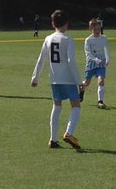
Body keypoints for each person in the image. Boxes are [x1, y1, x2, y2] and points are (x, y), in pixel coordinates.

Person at [30, 9, 82, 149]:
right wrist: (79, 81)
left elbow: (41, 59)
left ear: (53, 24)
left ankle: (53, 139)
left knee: (57, 106)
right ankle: (69, 133)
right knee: (76, 106)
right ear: (67, 24)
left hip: (54, 78)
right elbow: (71, 61)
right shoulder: (68, 39)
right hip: (68, 79)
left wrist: (35, 77)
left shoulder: (48, 39)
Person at [81, 18, 110, 109]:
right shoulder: (88, 40)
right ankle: (81, 90)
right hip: (91, 64)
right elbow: (88, 54)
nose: (98, 31)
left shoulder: (104, 38)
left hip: (101, 64)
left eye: (99, 29)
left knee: (101, 80)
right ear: (91, 29)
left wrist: (107, 59)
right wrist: (97, 60)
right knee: (86, 83)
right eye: (95, 29)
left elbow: (106, 49)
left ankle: (100, 101)